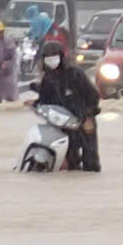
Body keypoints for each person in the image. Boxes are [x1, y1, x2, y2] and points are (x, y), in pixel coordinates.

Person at [30, 38, 102, 172]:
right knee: (70, 164)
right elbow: (45, 101)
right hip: (63, 124)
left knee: (90, 165)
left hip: (84, 120)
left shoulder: (75, 74)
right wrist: (34, 104)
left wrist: (89, 117)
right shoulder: (47, 79)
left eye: (54, 57)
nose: (51, 60)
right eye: (48, 57)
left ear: (61, 57)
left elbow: (93, 96)